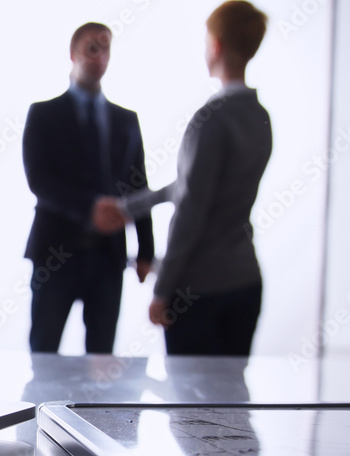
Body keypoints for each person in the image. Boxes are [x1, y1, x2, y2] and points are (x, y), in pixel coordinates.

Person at [94, 1, 271, 356]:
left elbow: (191, 207)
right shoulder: (259, 117)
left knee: (192, 409)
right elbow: (195, 186)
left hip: (199, 290)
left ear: (216, 45)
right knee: (232, 399)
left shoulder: (210, 118)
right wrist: (131, 206)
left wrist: (164, 290)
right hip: (246, 282)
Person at [22, 22, 155, 355]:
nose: (99, 56)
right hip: (55, 253)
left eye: (105, 48)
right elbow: (39, 181)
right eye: (91, 48)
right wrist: (90, 208)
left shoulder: (127, 119)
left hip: (107, 257)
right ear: (73, 54)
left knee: (101, 360)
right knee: (44, 352)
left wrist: (146, 251)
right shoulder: (43, 113)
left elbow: (139, 185)